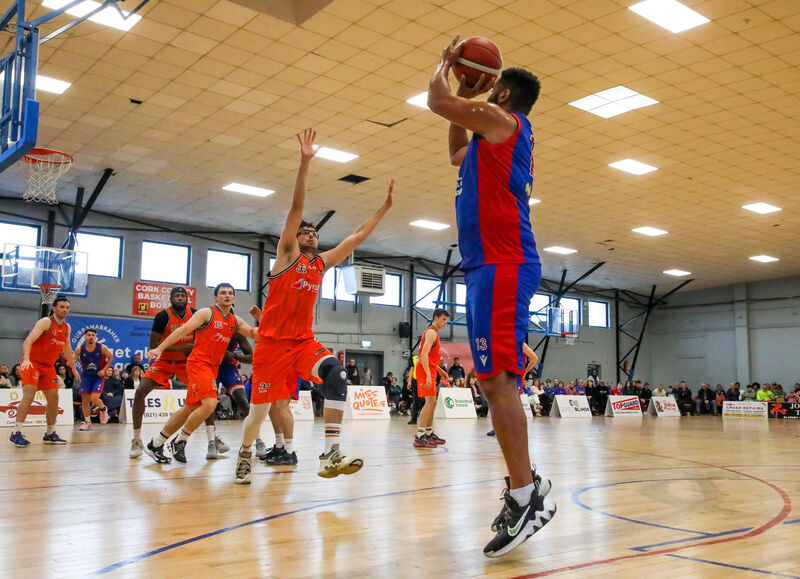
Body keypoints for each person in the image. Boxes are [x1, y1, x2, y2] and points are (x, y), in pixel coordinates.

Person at [427, 36, 556, 556]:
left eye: (487, 86)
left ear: (501, 95)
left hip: (504, 263)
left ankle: (526, 496)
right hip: (485, 266)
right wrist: (461, 97)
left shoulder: (509, 125)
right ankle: (528, 487)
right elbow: (455, 147)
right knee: (488, 379)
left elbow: (439, 103)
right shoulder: (485, 142)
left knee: (499, 380)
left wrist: (447, 71)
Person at [234, 128, 393, 484]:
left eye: (314, 233)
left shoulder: (320, 264)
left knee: (338, 375)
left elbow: (354, 238)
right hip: (271, 347)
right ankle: (245, 452)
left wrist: (382, 211)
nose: (310, 235)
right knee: (257, 416)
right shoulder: (287, 256)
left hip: (303, 342)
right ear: (293, 238)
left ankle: (330, 453)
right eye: (305, 232)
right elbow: (296, 208)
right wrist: (305, 162)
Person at [144, 283, 258, 464]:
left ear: (234, 298)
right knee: (210, 403)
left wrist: (266, 320)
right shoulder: (206, 313)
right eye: (223, 293)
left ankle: (156, 443)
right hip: (198, 363)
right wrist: (160, 348)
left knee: (190, 408)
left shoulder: (235, 320)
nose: (227, 295)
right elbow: (183, 330)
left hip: (212, 366)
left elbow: (255, 334)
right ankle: (180, 440)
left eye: (230, 293)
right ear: (216, 297)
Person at [129, 287, 229, 460]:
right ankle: (136, 438)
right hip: (164, 361)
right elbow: (154, 344)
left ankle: (212, 439)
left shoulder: (197, 314)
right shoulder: (163, 316)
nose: (180, 298)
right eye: (177, 296)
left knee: (207, 396)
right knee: (140, 392)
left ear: (188, 299)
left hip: (186, 363)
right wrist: (184, 347)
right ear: (171, 298)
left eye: (183, 296)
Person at [10, 296, 78, 447]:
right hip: (32, 363)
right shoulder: (46, 322)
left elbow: (66, 349)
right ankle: (16, 433)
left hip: (48, 367)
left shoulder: (67, 328)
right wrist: (26, 359)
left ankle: (50, 433)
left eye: (67, 307)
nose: (65, 310)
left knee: (54, 399)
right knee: (29, 396)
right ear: (54, 308)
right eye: (62, 307)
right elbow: (28, 341)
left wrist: (73, 366)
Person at [217, 334, 266, 458]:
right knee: (208, 404)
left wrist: (234, 356)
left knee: (244, 402)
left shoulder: (236, 327)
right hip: (208, 365)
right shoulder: (206, 319)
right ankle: (212, 440)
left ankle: (258, 439)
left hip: (228, 367)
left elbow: (251, 357)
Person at [413, 309, 451, 448]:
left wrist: (439, 370)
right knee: (429, 402)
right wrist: (429, 376)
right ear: (436, 318)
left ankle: (428, 432)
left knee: (433, 402)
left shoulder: (435, 334)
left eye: (446, 320)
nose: (445, 323)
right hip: (424, 370)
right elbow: (423, 355)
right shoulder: (431, 333)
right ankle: (420, 435)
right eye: (443, 320)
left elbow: (430, 358)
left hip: (430, 369)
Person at [74, 329, 113, 430]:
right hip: (86, 376)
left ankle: (103, 409)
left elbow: (111, 357)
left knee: (94, 399)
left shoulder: (102, 348)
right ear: (85, 337)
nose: (91, 336)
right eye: (88, 335)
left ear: (95, 337)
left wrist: (104, 370)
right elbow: (73, 360)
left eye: (93, 335)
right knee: (85, 401)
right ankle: (87, 422)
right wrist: (74, 370)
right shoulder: (79, 349)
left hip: (98, 376)